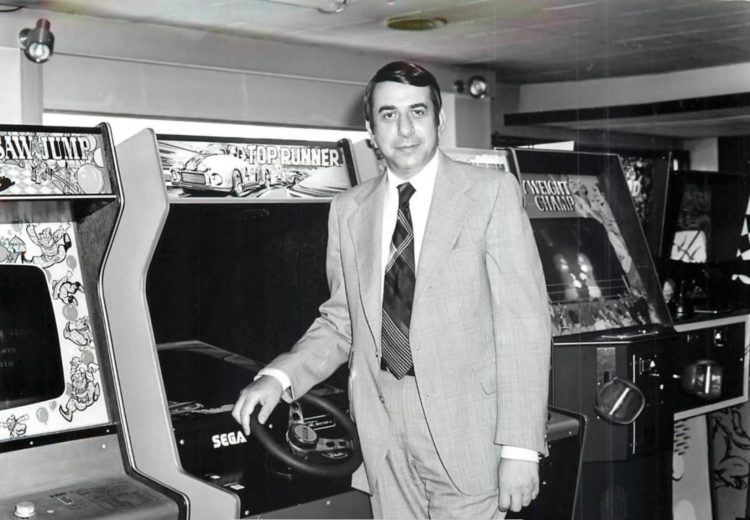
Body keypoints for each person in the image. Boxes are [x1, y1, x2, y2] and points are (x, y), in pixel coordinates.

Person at [232, 61, 551, 519]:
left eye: (417, 112)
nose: (404, 130)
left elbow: (524, 327)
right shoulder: (347, 209)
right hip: (382, 431)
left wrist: (520, 449)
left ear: (439, 119)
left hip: (471, 433)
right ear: (370, 128)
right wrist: (280, 377)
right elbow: (343, 321)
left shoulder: (492, 193)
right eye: (388, 114)